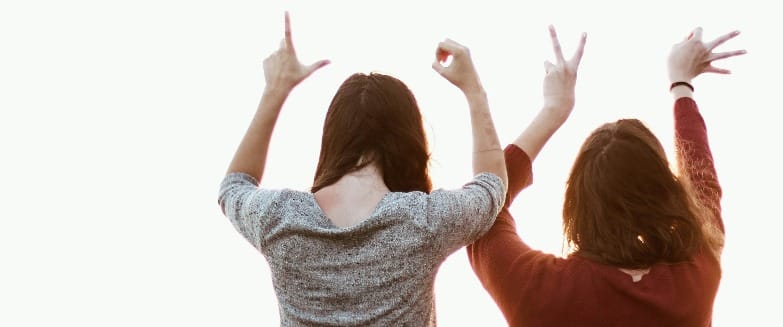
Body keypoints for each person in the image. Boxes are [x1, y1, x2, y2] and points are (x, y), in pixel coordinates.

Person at [218, 12, 507, 326]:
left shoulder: (278, 217)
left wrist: (275, 90)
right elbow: (491, 186)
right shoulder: (423, 221)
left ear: (332, 138)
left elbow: (234, 186)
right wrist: (474, 91)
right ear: (411, 142)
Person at [466, 26, 745, 326]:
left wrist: (553, 110)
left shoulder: (542, 289)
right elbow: (703, 185)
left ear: (577, 199)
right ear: (665, 193)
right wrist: (681, 84)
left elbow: (484, 208)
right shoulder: (694, 280)